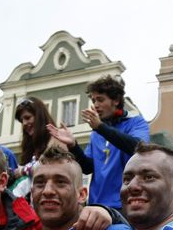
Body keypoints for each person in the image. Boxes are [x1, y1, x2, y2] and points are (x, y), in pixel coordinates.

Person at [48, 75, 150, 210]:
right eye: (93, 100)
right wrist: (73, 146)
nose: (96, 105)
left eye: (100, 100)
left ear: (116, 100)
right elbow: (88, 167)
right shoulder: (96, 133)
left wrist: (101, 128)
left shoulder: (135, 123)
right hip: (96, 205)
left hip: (125, 204)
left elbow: (138, 147)